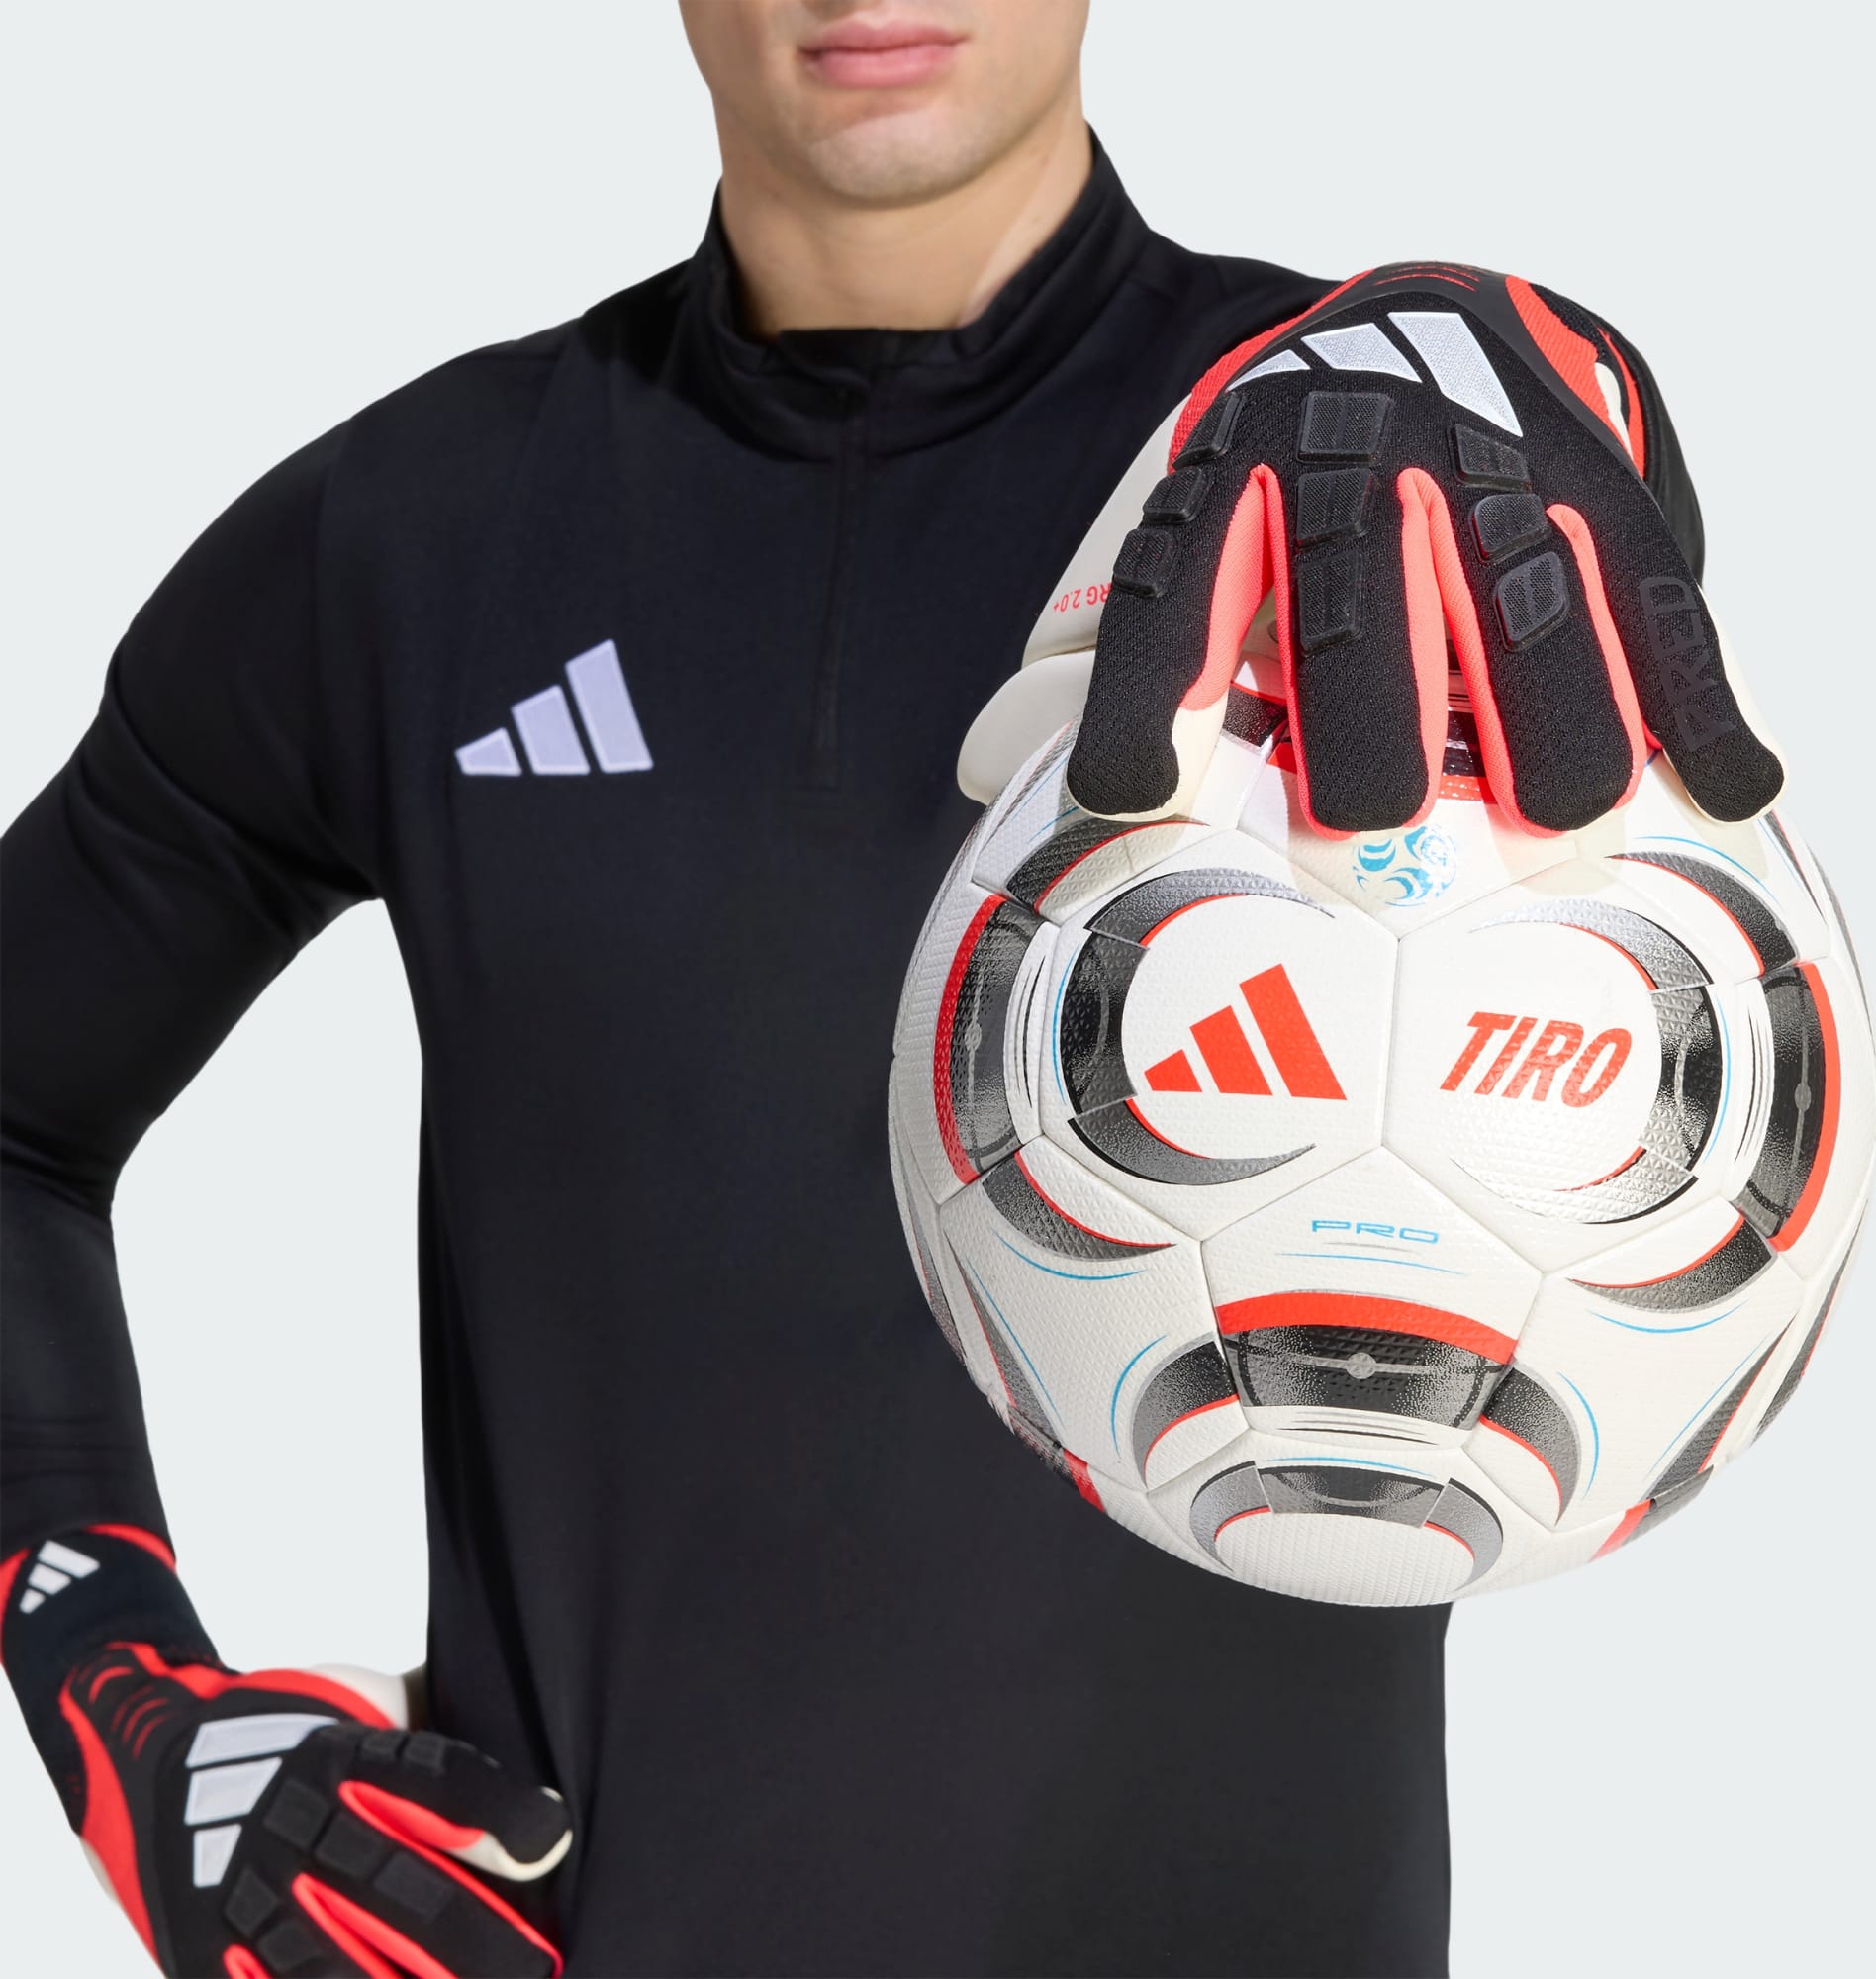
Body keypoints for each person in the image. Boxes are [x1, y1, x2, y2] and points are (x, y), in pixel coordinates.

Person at [2, 4, 1762, 1974]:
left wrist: (1500, 384)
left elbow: (1576, 495)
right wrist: (120, 1689)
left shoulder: (1337, 479)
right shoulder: (416, 539)